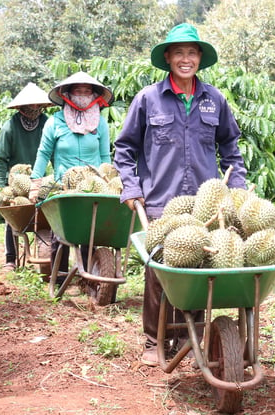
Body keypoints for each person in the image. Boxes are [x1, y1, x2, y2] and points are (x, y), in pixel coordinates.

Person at [113, 23, 247, 366]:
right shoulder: (148, 99)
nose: (185, 59)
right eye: (179, 53)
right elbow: (125, 149)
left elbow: (231, 147)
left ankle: (193, 334)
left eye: (192, 52)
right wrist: (131, 187)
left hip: (206, 205)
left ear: (199, 58)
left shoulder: (214, 99)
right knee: (159, 274)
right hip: (161, 200)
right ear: (168, 58)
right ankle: (154, 340)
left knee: (202, 272)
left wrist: (237, 188)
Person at [30, 71, 113, 275]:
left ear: (94, 95)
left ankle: (88, 275)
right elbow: (43, 154)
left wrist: (110, 181)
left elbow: (105, 157)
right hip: (63, 186)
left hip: (92, 186)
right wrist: (35, 183)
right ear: (68, 94)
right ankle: (58, 275)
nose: (83, 95)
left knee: (90, 231)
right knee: (61, 233)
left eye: (87, 91)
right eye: (78, 91)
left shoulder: (100, 122)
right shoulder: (54, 122)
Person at [0, 82, 54, 271]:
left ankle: (47, 252)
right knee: (13, 218)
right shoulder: (10, 127)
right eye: (31, 105)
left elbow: (53, 151)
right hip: (16, 180)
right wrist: (0, 185)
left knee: (45, 215)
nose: (35, 109)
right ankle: (10, 258)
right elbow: (1, 159)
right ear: (21, 107)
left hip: (38, 178)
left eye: (38, 105)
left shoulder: (46, 123)